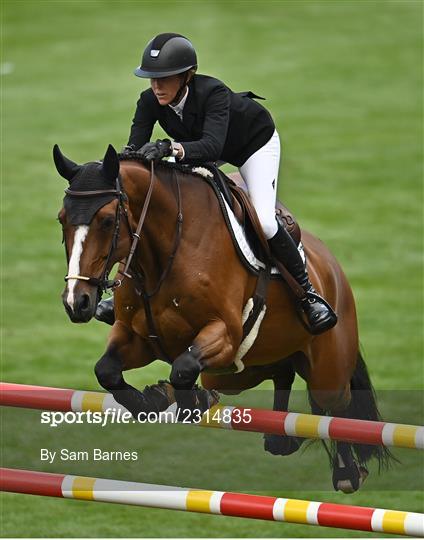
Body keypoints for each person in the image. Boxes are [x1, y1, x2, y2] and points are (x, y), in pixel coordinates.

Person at [96, 33, 337, 334]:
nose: (157, 86)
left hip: (252, 146)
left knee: (264, 221)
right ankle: (121, 292)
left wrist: (171, 149)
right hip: (200, 147)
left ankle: (308, 295)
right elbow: (133, 149)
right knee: (153, 207)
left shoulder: (214, 93)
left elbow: (211, 148)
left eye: (165, 78)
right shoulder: (149, 100)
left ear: (187, 76)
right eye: (152, 79)